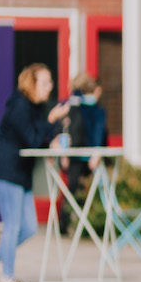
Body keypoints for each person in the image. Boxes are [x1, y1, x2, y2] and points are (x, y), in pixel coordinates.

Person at [0, 64, 70, 282]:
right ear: (32, 84)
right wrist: (51, 119)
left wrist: (52, 131)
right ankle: (6, 280)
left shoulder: (35, 107)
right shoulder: (18, 105)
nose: (50, 87)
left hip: (20, 176)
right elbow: (33, 138)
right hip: (7, 173)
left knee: (27, 228)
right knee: (12, 227)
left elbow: (40, 137)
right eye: (45, 82)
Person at [57, 73, 107, 238]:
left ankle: (71, 224)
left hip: (79, 155)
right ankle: (73, 224)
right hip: (81, 155)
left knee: (74, 190)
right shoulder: (83, 106)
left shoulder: (75, 106)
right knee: (77, 191)